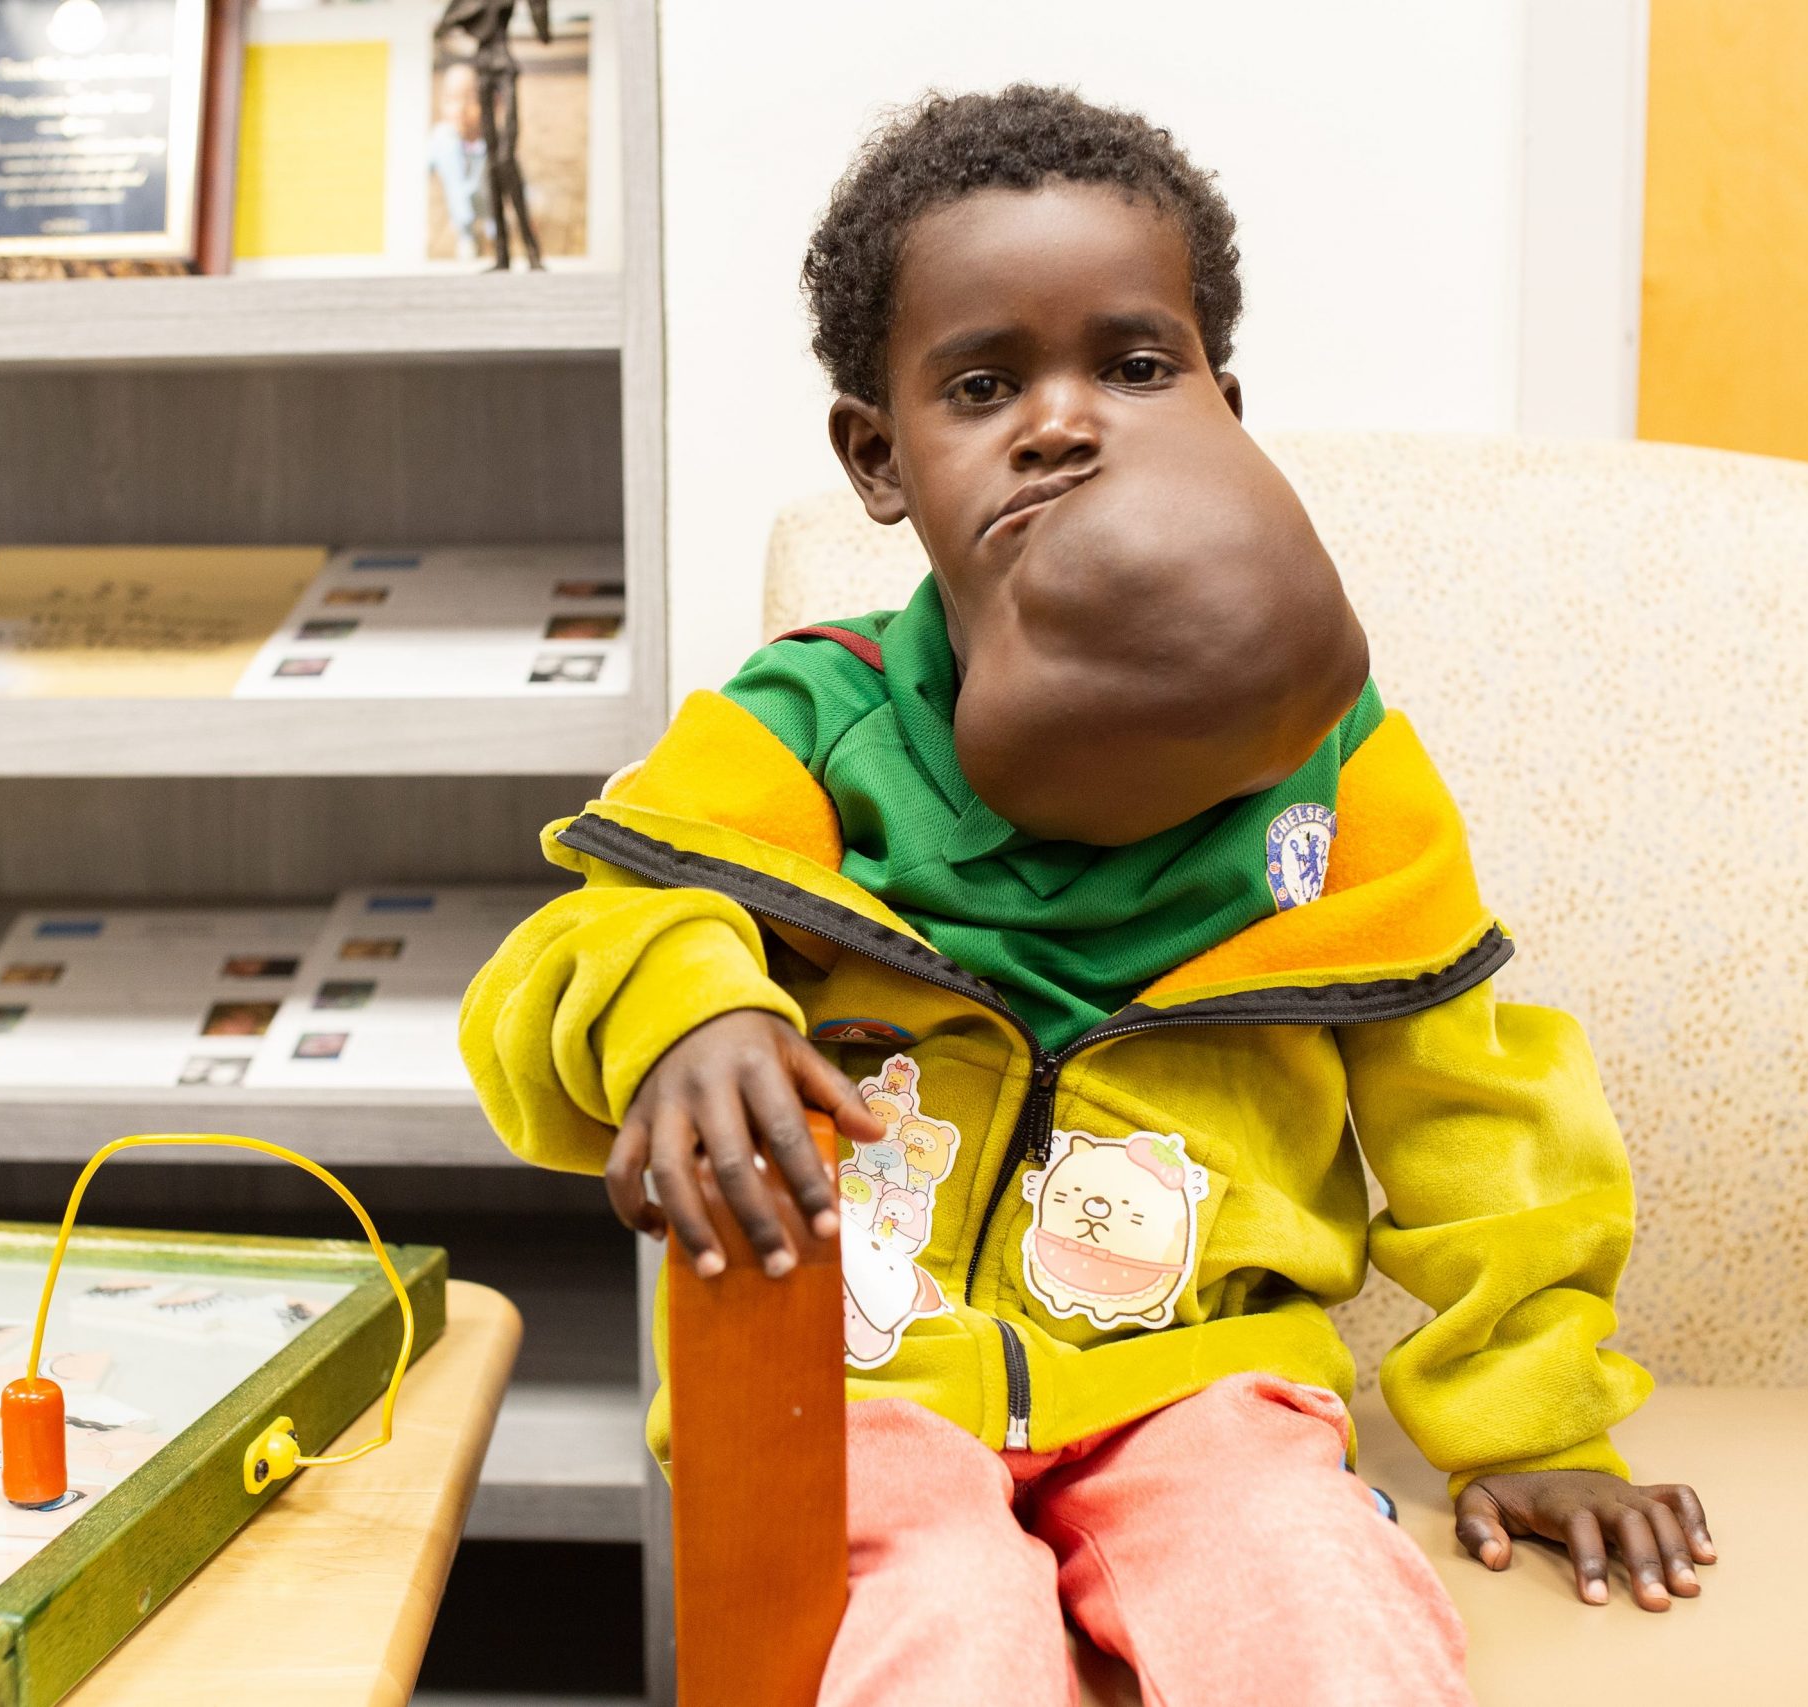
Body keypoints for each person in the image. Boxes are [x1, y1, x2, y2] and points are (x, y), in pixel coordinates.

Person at [461, 87, 1716, 1706]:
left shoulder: (1345, 780)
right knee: (946, 1629)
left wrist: (1539, 1420)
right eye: (983, 387)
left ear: (1225, 405)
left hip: (1211, 1391)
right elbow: (589, 937)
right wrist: (687, 1009)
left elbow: (1483, 1110)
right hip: (859, 1389)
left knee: (1313, 1596)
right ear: (879, 455)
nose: (1064, 422)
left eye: (1136, 365)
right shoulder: (810, 723)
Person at [428, 61, 493, 261]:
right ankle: (468, 238)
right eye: (451, 99)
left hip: (488, 207)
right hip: (460, 212)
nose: (461, 108)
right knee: (466, 240)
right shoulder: (440, 138)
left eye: (471, 99)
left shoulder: (490, 140)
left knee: (494, 229)